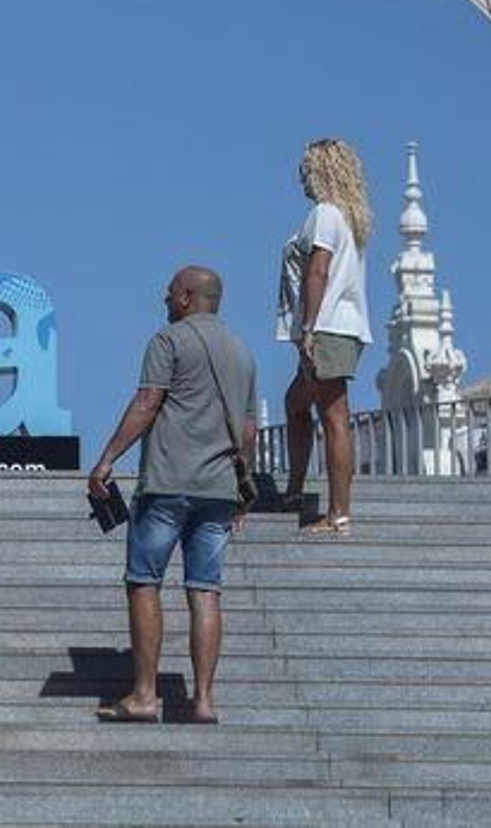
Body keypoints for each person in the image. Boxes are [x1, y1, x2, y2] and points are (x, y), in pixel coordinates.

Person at [88, 266, 256, 725]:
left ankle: (144, 695)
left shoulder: (169, 341)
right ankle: (203, 700)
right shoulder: (242, 352)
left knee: (144, 581)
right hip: (219, 490)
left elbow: (147, 402)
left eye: (169, 293)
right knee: (206, 590)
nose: (164, 299)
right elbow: (248, 430)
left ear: (186, 297)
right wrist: (244, 490)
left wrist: (105, 461)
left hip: (167, 484)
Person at [277, 138, 373, 535]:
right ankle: (297, 489)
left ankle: (338, 514)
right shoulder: (348, 218)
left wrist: (309, 328)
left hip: (328, 327)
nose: (300, 176)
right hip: (340, 326)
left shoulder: (325, 215)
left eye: (305, 167)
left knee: (334, 417)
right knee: (296, 404)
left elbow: (318, 271)